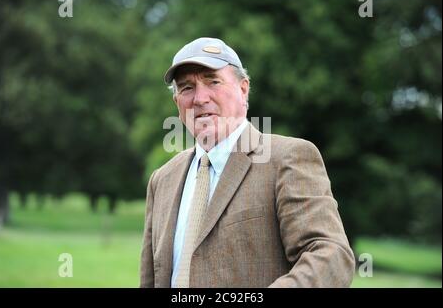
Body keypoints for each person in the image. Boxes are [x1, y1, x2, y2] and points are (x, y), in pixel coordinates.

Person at [140, 37, 355, 288]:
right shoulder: (162, 179)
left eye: (213, 81)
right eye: (187, 87)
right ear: (177, 102)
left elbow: (331, 256)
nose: (199, 98)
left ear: (243, 89)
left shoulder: (288, 158)